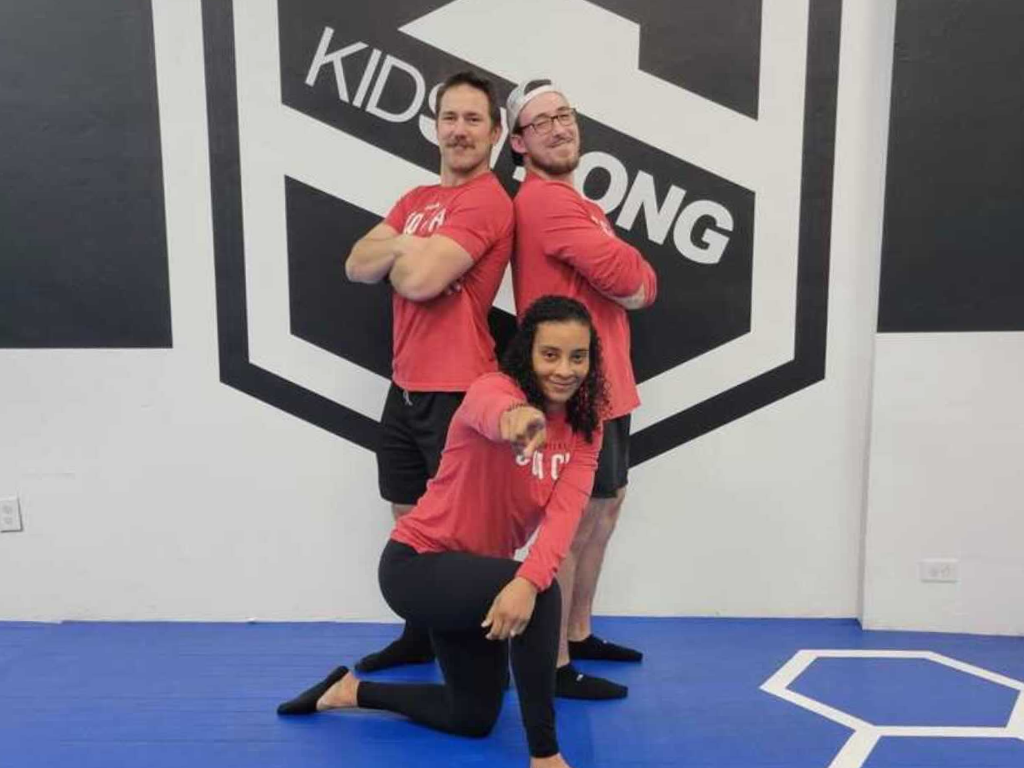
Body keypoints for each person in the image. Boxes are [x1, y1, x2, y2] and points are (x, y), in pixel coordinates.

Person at [279, 296, 609, 768]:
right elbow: (497, 412)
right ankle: (545, 755)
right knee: (542, 595)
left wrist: (524, 580)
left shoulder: (585, 429)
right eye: (550, 354)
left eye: (578, 356)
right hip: (415, 566)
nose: (565, 369)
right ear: (528, 354)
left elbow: (562, 521)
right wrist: (520, 420)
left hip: (476, 582)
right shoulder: (491, 389)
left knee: (471, 716)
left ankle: (348, 691)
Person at [344, 71, 514, 672]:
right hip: (405, 386)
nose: (459, 131)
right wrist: (403, 247)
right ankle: (419, 635)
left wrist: (401, 252)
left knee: (462, 529)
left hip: (458, 392)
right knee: (409, 518)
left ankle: (476, 654)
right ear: (435, 127)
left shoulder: (489, 200)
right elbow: (356, 264)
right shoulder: (415, 198)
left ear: (495, 133)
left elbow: (418, 281)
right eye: (450, 118)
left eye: (473, 119)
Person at [506, 80, 658, 699]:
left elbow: (629, 283)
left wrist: (625, 267)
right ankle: (555, 661)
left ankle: (579, 630)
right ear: (519, 143)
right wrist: (629, 264)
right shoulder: (547, 203)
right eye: (540, 122)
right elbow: (635, 284)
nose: (558, 127)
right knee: (572, 523)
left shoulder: (578, 204)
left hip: (609, 382)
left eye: (563, 115)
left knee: (607, 506)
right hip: (572, 388)